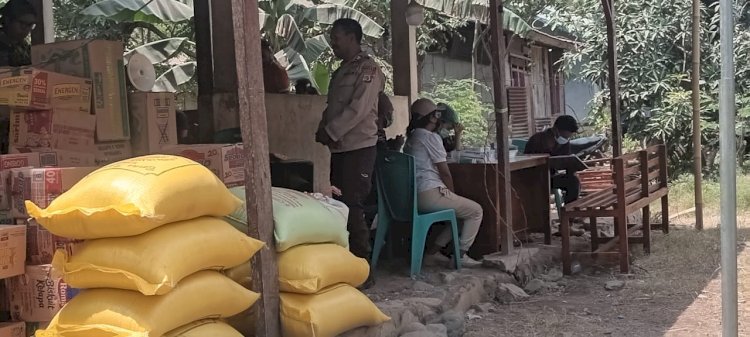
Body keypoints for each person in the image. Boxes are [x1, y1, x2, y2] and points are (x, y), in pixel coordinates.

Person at [315, 18, 384, 266]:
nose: (332, 43)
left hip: (360, 148)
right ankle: (344, 263)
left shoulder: (368, 69)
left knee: (353, 205)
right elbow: (333, 106)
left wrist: (331, 131)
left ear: (352, 38)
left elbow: (359, 109)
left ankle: (363, 266)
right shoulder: (341, 70)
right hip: (340, 148)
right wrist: (323, 127)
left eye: (336, 37)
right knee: (338, 203)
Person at [403, 98, 483, 268]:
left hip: (413, 195)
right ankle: (460, 255)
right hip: (429, 193)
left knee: (461, 214)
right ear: (433, 118)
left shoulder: (412, 137)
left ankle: (432, 254)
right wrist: (452, 194)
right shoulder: (430, 137)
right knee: (475, 211)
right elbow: (445, 172)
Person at [525, 115, 581, 204]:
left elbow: (566, 160)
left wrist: (573, 167)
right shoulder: (537, 140)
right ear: (555, 130)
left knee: (573, 181)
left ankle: (568, 213)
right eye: (564, 136)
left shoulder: (565, 143)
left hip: (551, 177)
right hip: (535, 178)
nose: (565, 139)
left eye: (568, 137)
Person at [0, 0, 36, 67]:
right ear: (7, 20)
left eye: (30, 25)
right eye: (22, 24)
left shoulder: (23, 46)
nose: (27, 29)